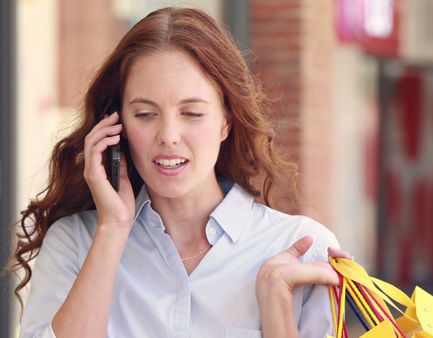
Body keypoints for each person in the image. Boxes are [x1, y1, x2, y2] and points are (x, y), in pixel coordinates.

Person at [10, 7, 349, 338]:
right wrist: (112, 229)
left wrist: (276, 310)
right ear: (117, 126)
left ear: (226, 122)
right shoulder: (76, 243)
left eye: (192, 113)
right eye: (145, 113)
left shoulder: (301, 249)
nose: (168, 135)